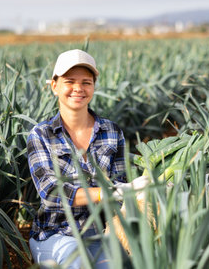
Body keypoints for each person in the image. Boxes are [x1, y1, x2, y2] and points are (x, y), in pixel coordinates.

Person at [27, 49, 149, 268]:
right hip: (56, 234)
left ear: (93, 87)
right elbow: (52, 194)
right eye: (69, 81)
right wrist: (109, 192)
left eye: (86, 82)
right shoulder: (41, 134)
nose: (78, 89)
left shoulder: (111, 131)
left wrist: (142, 194)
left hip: (100, 233)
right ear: (54, 86)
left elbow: (120, 180)